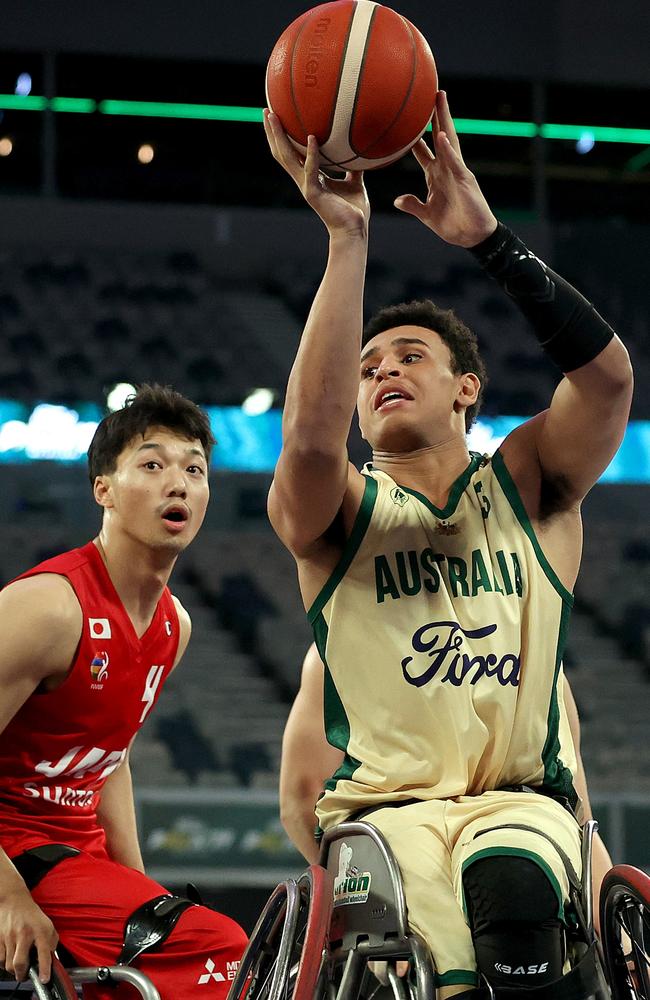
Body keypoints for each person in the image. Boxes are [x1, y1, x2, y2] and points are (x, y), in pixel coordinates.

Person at [263, 89, 632, 998]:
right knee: (444, 970)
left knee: (512, 890)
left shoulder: (530, 482)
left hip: (517, 803)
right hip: (384, 819)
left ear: (467, 387)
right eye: (368, 369)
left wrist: (487, 240)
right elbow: (310, 444)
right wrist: (346, 240)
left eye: (410, 357)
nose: (383, 369)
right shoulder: (340, 513)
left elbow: (610, 379)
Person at [0, 385, 247, 998]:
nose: (180, 483)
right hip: (14, 852)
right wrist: (7, 897)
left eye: (194, 468)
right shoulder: (47, 608)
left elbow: (110, 756)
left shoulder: (175, 624)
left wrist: (136, 885)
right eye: (153, 464)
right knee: (225, 951)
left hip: (71, 859)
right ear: (102, 489)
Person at [280, 645, 613, 933]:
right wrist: (616, 934)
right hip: (530, 862)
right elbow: (577, 814)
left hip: (403, 870)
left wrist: (354, 894)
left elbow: (303, 797)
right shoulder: (542, 647)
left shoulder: (341, 639)